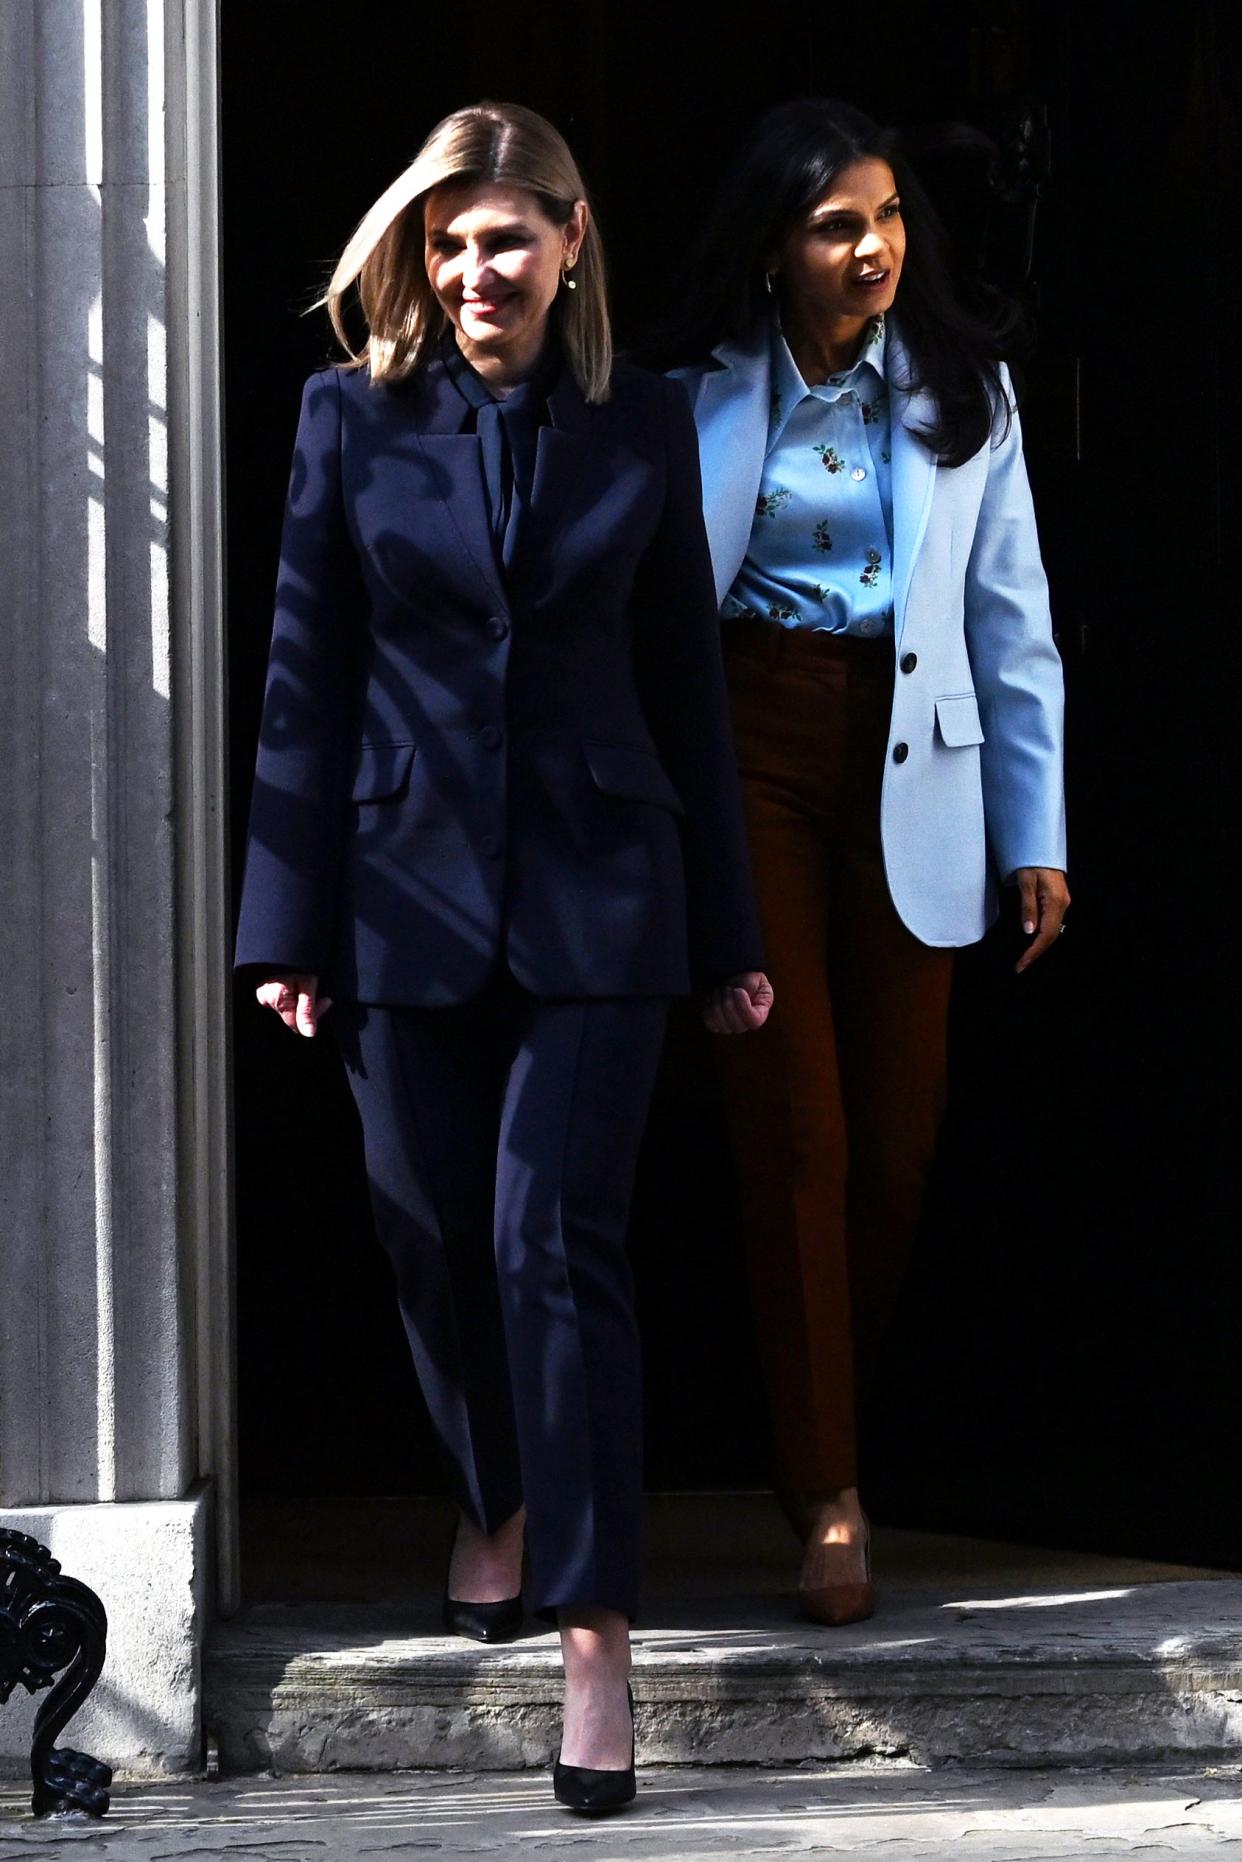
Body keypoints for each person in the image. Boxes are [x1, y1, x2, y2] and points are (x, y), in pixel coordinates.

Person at [234, 101, 771, 1813]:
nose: (480, 269)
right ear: (421, 255)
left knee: (556, 1237)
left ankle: (594, 1634)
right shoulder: (346, 417)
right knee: (427, 1228)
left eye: (508, 236)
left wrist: (728, 933)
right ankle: (493, 1492)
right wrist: (284, 923)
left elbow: (686, 677)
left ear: (569, 239)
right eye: (449, 241)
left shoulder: (646, 424)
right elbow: (302, 682)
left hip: (606, 891)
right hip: (397, 888)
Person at [663, 98, 1068, 1625]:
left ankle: (814, 1418)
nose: (873, 248)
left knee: (893, 1149)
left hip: (923, 769)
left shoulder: (969, 394)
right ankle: (826, 1487)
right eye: (838, 224)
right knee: (793, 1134)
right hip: (747, 755)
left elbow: (1011, 621)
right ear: (774, 248)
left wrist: (1036, 830)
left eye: (889, 218)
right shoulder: (688, 390)